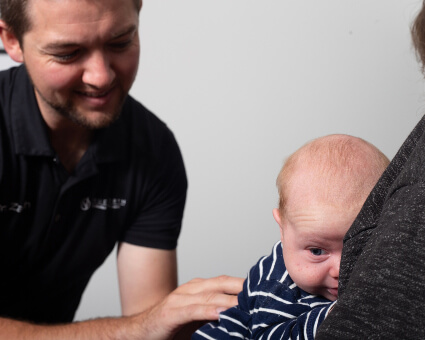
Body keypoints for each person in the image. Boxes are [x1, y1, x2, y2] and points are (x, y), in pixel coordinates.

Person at [0, 0, 243, 338]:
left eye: (120, 42)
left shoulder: (154, 152)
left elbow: (154, 328)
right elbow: (142, 328)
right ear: (11, 40)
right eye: (68, 53)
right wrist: (138, 328)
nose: (101, 77)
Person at [193, 134, 390, 339]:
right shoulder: (277, 285)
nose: (340, 269)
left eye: (361, 247)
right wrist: (332, 317)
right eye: (316, 251)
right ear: (283, 231)